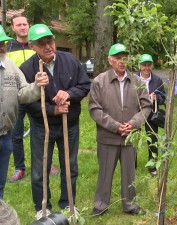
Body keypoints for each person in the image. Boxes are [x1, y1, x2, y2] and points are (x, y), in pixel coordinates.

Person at [20, 24, 90, 219]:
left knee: (70, 165)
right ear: (32, 46)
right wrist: (53, 110)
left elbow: (84, 85)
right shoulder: (27, 69)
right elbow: (25, 101)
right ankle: (42, 206)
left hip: (70, 125)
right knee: (39, 170)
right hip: (43, 127)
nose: (48, 46)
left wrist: (69, 93)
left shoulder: (70, 61)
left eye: (49, 41)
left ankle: (68, 203)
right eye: (41, 44)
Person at [89, 43, 152, 216]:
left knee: (129, 173)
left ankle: (130, 205)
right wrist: (116, 127)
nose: (121, 61)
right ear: (110, 60)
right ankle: (100, 205)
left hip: (130, 137)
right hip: (107, 137)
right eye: (117, 58)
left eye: (124, 57)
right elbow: (95, 109)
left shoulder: (137, 81)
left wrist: (133, 123)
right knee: (105, 173)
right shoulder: (99, 81)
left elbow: (146, 107)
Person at [7, 14, 59, 182]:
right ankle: (19, 167)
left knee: (42, 127)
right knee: (16, 133)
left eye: (25, 24)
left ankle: (47, 161)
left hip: (36, 92)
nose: (22, 27)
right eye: (18, 25)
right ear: (13, 28)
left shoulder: (37, 44)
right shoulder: (7, 47)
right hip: (17, 95)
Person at [0, 24, 49, 199]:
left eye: (3, 43)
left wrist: (36, 85)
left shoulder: (10, 66)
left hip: (4, 136)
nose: (2, 47)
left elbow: (22, 93)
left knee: (0, 184)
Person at [136, 53, 166, 176]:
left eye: (149, 65)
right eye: (144, 65)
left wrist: (156, 97)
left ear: (152, 66)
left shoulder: (157, 80)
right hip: (136, 113)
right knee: (134, 138)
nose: (146, 68)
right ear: (139, 66)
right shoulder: (133, 78)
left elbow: (163, 97)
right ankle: (132, 165)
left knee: (152, 140)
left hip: (152, 114)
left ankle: (152, 165)